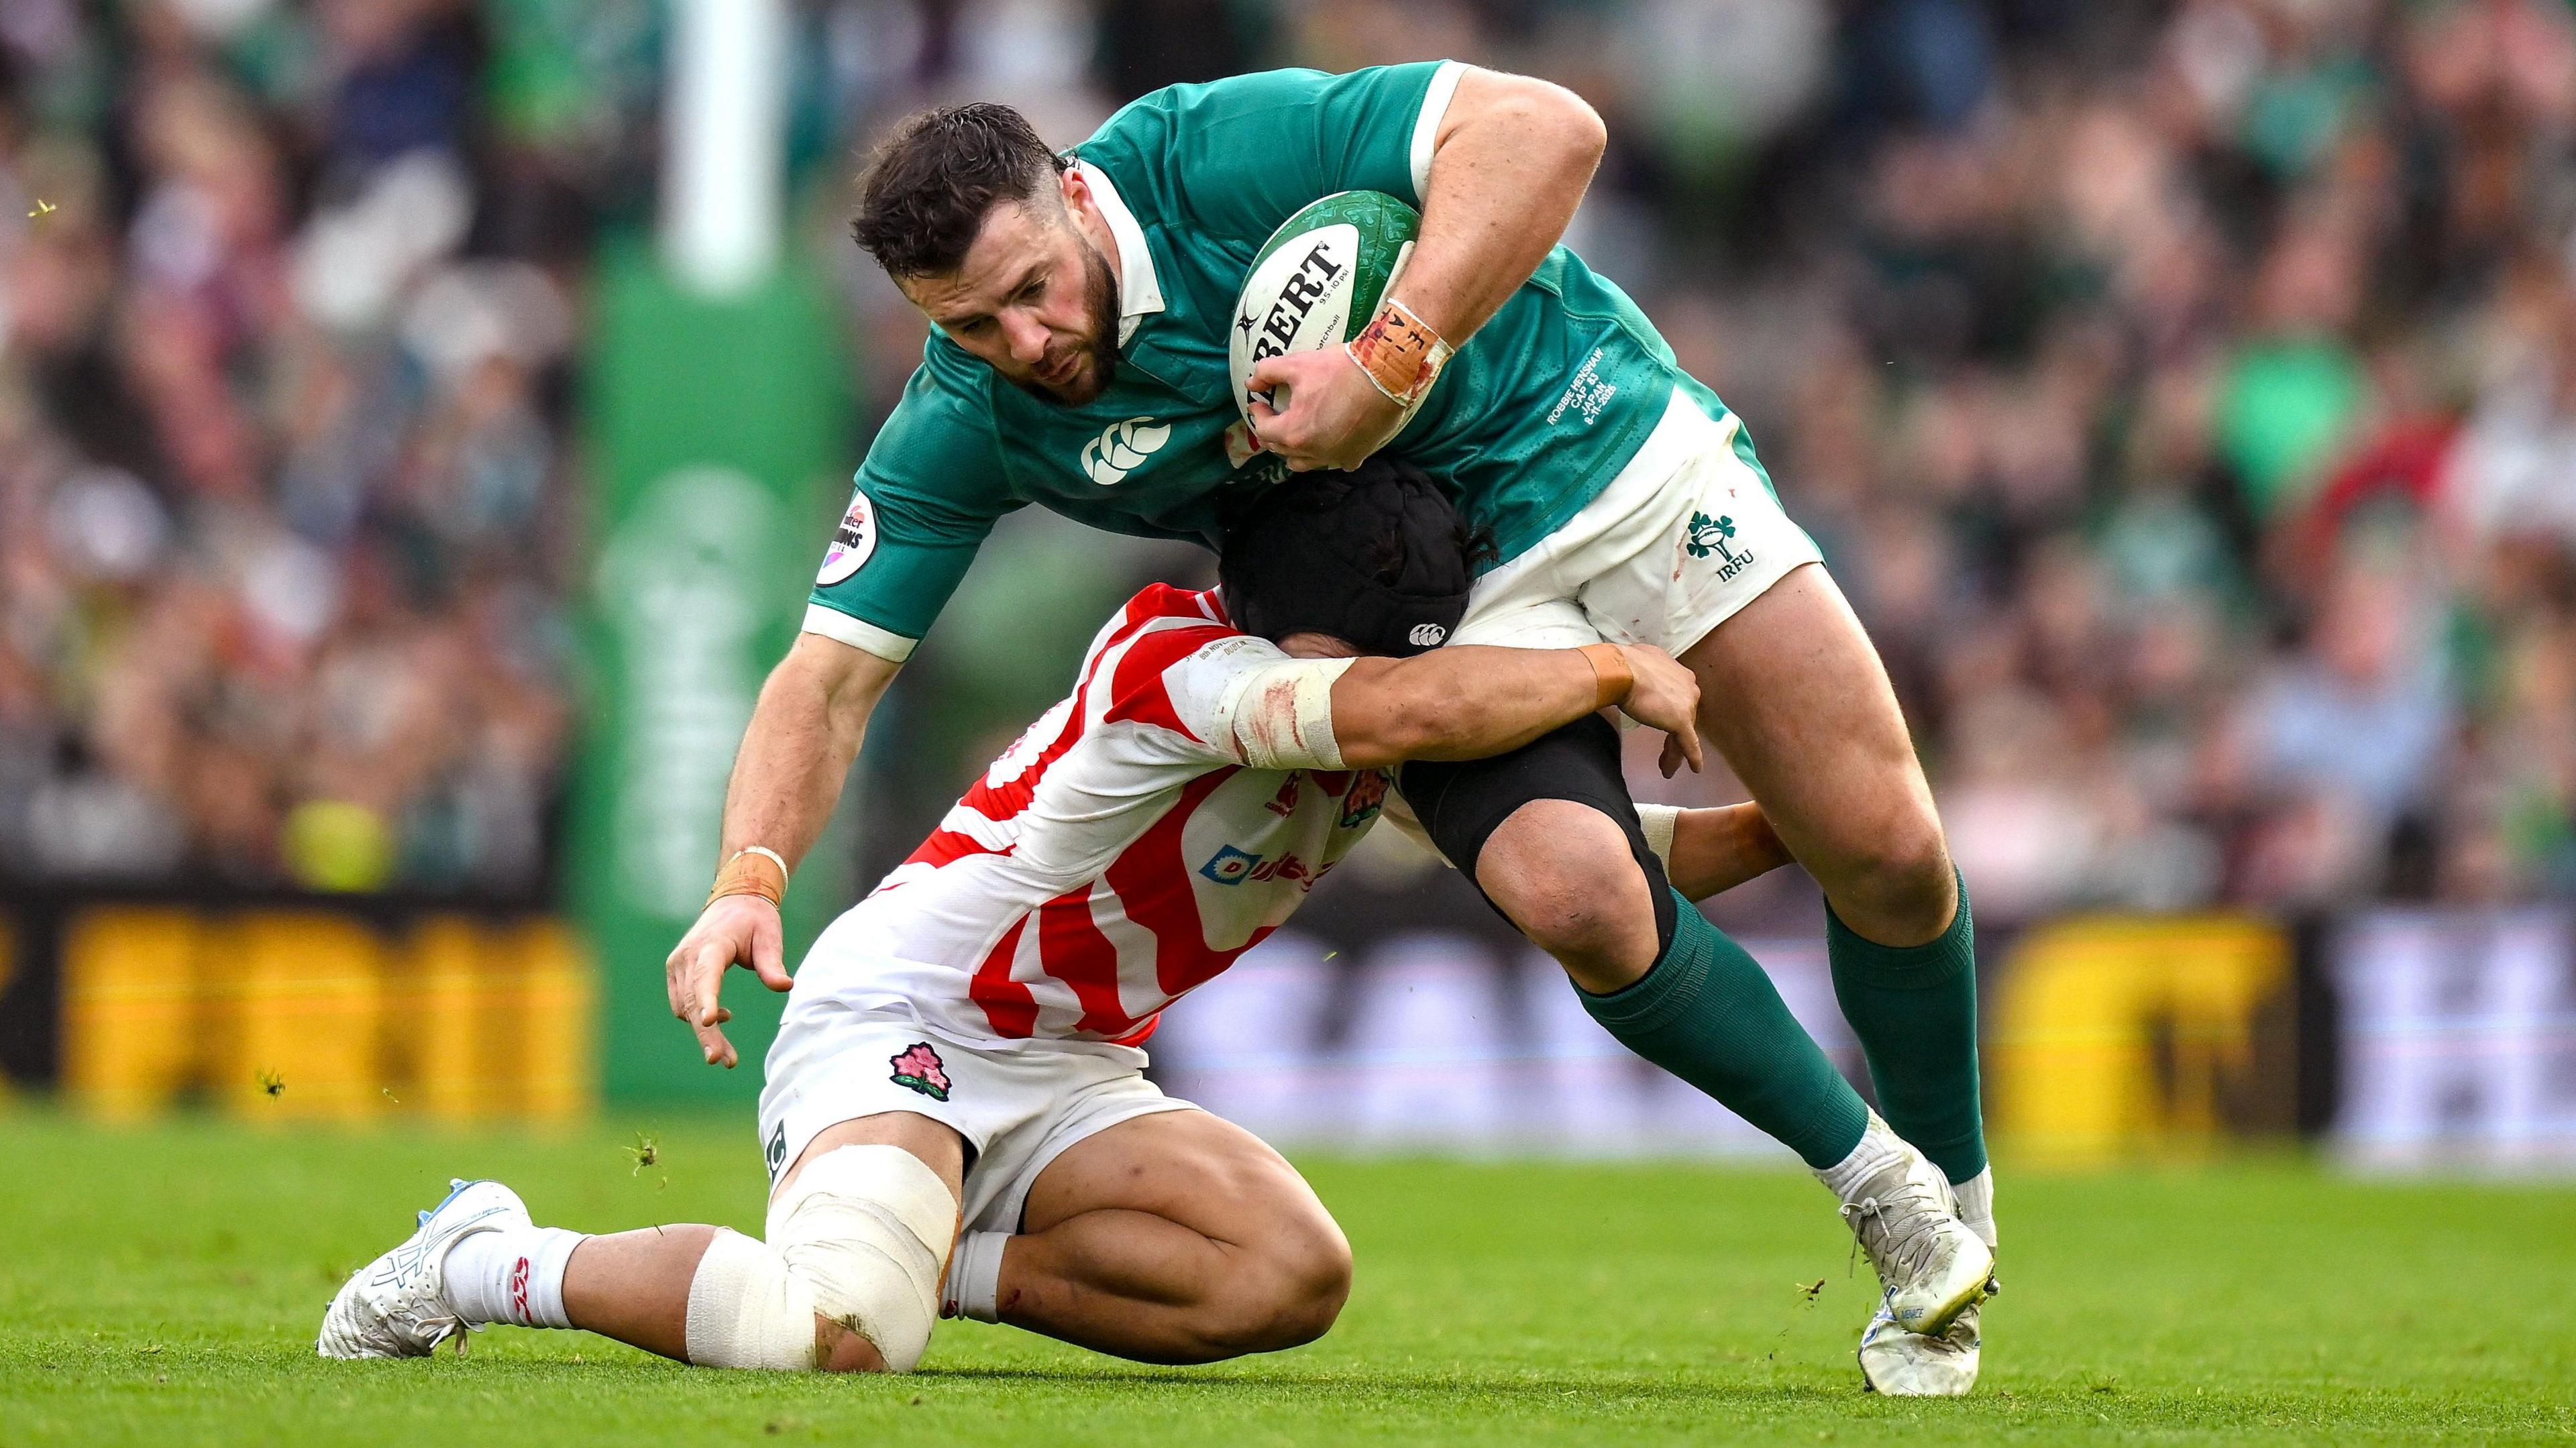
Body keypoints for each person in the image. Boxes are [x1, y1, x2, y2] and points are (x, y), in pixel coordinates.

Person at [671, 64, 1996, 1392]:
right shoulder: (972, 418)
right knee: (1579, 894)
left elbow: (1548, 132)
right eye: (970, 325)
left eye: (1033, 290)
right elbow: (826, 680)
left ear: (1076, 195)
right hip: (1409, 601)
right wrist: (748, 875)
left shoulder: (1205, 156)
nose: (1024, 342)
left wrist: (1393, 353)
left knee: (1881, 850)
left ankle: (1961, 1213)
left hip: (1600, 441)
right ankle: (1887, 1206)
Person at [319, 461, 1803, 1372]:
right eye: (1372, 657)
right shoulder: (1175, 663)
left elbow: (1601, 860)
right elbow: (1389, 702)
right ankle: (485, 1255)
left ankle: (939, 1254)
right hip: (909, 1021)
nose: (1400, 696)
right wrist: (1608, 672)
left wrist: (1810, 824)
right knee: (827, 1340)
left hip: (1072, 1072)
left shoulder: (1377, 732)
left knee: (1292, 1279)